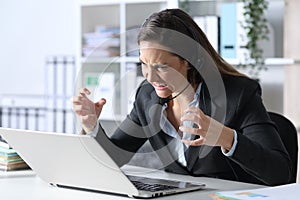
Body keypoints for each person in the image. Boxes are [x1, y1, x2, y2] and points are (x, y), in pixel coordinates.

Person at [72, 8, 292, 186]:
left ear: (189, 60)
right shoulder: (147, 96)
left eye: (161, 66)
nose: (150, 77)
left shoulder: (238, 94)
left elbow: (280, 173)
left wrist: (226, 138)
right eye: (144, 64)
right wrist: (92, 126)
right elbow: (116, 157)